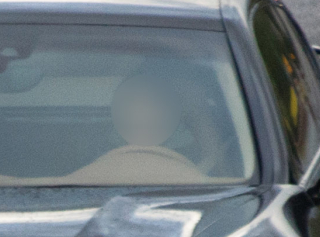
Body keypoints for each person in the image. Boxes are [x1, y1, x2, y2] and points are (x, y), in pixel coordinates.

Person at [63, 70, 213, 183]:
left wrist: (201, 117)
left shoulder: (200, 149)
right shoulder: (92, 149)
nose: (143, 111)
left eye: (157, 101)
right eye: (130, 100)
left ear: (177, 108)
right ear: (115, 107)